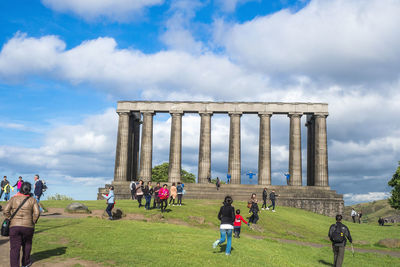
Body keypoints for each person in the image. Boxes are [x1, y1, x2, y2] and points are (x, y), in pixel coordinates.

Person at [3, 182, 40, 267]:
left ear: (20, 189)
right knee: (27, 245)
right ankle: (25, 263)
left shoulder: (13, 199)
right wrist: (33, 221)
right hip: (28, 227)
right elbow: (37, 213)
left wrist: (11, 218)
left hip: (14, 227)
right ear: (29, 190)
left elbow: (5, 211)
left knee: (14, 248)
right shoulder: (33, 200)